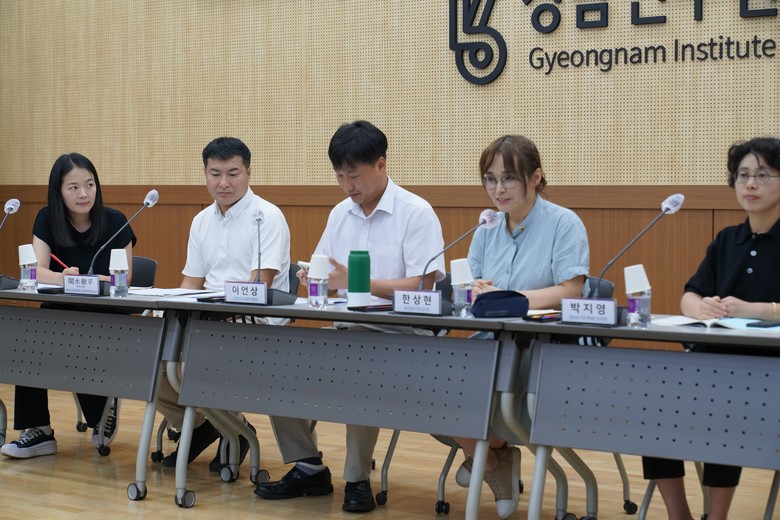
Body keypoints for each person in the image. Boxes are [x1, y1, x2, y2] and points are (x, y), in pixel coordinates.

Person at [254, 120, 445, 513]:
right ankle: (308, 466)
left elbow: (424, 285)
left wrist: (359, 281)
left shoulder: (416, 212)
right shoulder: (341, 213)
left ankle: (357, 479)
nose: (346, 185)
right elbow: (328, 272)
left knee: (360, 364)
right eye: (339, 176)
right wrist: (315, 277)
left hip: (402, 332)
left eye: (353, 175)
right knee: (277, 359)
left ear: (381, 164)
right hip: (347, 326)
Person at [642, 136, 780, 520]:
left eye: (763, 175)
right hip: (713, 363)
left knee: (724, 407)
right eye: (742, 175)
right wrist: (700, 307)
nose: (750, 184)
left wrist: (755, 310)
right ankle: (680, 515)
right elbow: (690, 294)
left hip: (768, 374)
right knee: (653, 409)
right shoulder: (727, 240)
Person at [451, 135, 589, 518]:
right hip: (490, 341)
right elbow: (472, 287)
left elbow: (571, 290)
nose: (498, 189)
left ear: (535, 178)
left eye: (508, 178)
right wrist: (474, 289)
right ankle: (496, 461)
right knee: (434, 385)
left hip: (544, 347)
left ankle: (489, 454)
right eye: (490, 179)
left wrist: (509, 297)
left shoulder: (563, 223)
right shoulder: (486, 227)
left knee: (479, 393)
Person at [155, 136, 291, 472]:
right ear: (205, 174)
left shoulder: (267, 217)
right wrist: (166, 312)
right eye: (215, 174)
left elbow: (260, 285)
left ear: (248, 173)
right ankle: (210, 426)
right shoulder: (202, 220)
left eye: (233, 173)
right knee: (153, 359)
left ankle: (230, 429)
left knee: (202, 355)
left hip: (255, 323)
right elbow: (191, 283)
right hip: (209, 319)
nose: (223, 183)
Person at [1, 153, 136, 459]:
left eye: (90, 185)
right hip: (61, 312)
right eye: (73, 187)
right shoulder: (47, 219)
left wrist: (90, 279)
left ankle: (103, 410)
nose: (84, 193)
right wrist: (63, 278)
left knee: (80, 339)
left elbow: (124, 278)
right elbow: (35, 271)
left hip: (107, 315)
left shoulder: (116, 222)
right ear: (58, 191)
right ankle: (39, 431)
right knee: (27, 341)